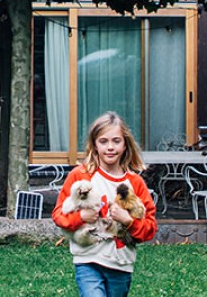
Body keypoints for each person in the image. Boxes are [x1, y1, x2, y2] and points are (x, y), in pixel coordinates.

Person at [52, 112, 158, 297]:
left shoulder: (135, 183)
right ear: (94, 144)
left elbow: (149, 229)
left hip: (121, 263)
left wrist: (128, 221)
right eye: (103, 141)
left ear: (125, 145)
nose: (110, 147)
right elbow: (58, 215)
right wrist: (80, 217)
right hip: (88, 260)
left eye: (116, 141)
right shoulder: (80, 176)